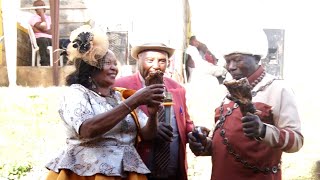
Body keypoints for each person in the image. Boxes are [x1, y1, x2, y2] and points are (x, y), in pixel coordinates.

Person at [45, 25, 166, 180]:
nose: (114, 68)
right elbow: (87, 129)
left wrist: (153, 113)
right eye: (108, 63)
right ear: (91, 67)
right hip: (86, 173)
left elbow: (148, 134)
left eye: (115, 63)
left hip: (125, 172)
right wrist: (134, 101)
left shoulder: (120, 97)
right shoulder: (77, 93)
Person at [188, 29, 304, 180]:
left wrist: (263, 131)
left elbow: (297, 141)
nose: (231, 66)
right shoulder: (225, 91)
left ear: (256, 58)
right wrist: (204, 145)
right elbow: (228, 144)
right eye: (228, 61)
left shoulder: (278, 89)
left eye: (237, 60)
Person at [114, 43, 195, 180]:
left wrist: (193, 132)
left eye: (162, 61)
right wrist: (147, 128)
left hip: (172, 170)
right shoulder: (120, 86)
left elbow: (185, 123)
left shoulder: (177, 88)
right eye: (150, 60)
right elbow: (113, 125)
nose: (156, 66)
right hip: (136, 170)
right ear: (138, 60)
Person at [29, 0, 52, 66]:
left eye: (43, 5)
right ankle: (45, 63)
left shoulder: (50, 18)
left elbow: (53, 31)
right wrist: (42, 14)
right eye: (40, 6)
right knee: (43, 40)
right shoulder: (33, 18)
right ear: (35, 9)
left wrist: (42, 31)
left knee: (64, 42)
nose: (42, 7)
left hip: (50, 39)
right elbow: (44, 27)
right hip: (39, 39)